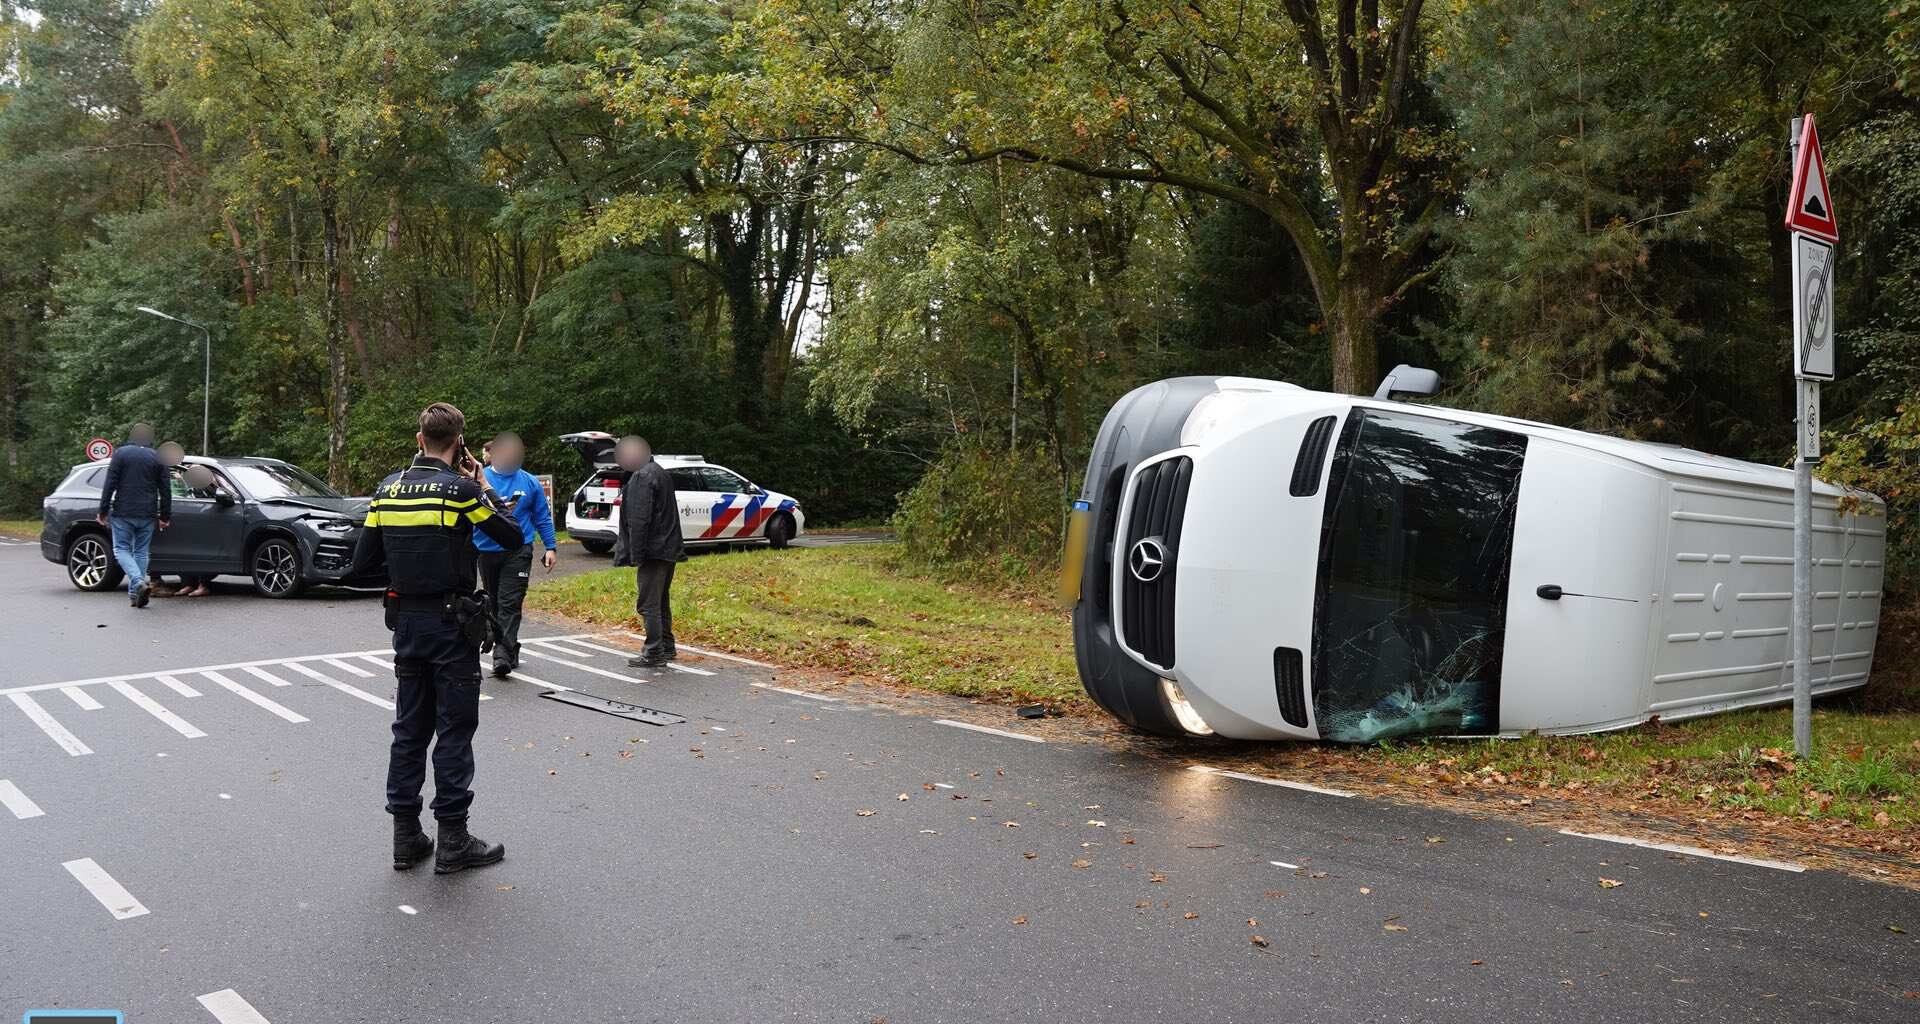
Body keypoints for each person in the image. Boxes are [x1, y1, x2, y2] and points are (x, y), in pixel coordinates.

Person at [351, 402, 525, 874]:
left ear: (419, 438)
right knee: (454, 730)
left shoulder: (387, 491)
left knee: (409, 731)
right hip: (452, 627)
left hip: (406, 623)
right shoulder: (462, 490)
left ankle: (406, 838)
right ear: (460, 442)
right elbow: (510, 536)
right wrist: (484, 484)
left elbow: (362, 563)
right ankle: (453, 840)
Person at [473, 432, 558, 678]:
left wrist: (551, 547)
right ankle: (511, 647)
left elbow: (542, 516)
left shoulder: (529, 482)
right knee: (495, 603)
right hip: (487, 549)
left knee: (510, 602)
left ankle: (502, 655)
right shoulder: (479, 479)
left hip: (519, 550)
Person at [612, 435, 685, 667]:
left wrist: (636, 554)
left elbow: (639, 519)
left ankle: (653, 651)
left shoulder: (642, 476)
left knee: (648, 603)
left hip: (653, 549)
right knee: (660, 600)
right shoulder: (658, 471)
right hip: (667, 547)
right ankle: (666, 645)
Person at [96, 422, 171, 608]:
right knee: (141, 551)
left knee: (121, 549)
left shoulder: (121, 454)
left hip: (124, 511)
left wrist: (103, 510)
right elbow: (166, 489)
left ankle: (137, 582)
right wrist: (165, 516)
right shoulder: (158, 457)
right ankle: (134, 595)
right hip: (147, 512)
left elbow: (110, 483)